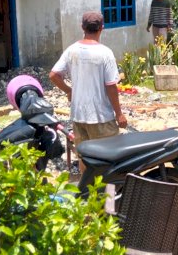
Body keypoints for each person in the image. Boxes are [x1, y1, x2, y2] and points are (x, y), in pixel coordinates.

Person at [50, 11, 128, 175]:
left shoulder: (72, 50)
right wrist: (119, 113)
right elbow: (111, 87)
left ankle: (86, 196)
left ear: (82, 27)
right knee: (109, 161)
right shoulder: (105, 53)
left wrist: (69, 90)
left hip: (79, 116)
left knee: (85, 159)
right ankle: (108, 199)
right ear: (102, 28)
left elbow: (54, 75)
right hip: (101, 118)